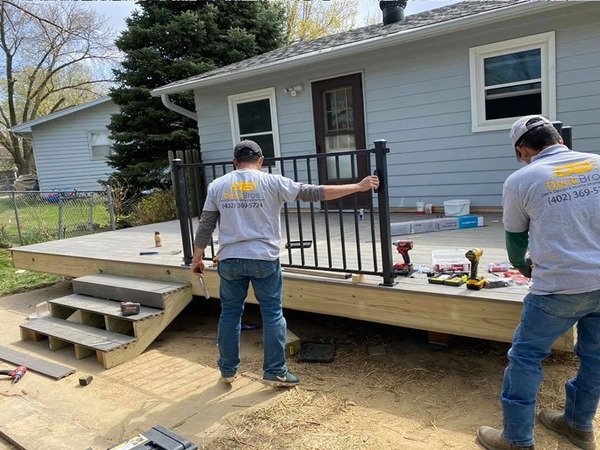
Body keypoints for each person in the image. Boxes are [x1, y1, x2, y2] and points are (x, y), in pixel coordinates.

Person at [190, 140, 379, 387]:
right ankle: (275, 371)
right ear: (261, 160)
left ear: (235, 163)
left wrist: (197, 258)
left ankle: (227, 370)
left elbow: (205, 225)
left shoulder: (218, 185)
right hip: (264, 259)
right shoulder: (273, 182)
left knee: (230, 315)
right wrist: (358, 186)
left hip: (231, 260)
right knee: (272, 314)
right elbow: (315, 192)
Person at [477, 115, 600, 450]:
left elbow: (516, 239)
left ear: (522, 150)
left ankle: (517, 439)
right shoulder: (598, 163)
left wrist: (523, 267)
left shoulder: (522, 179)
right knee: (595, 356)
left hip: (557, 288)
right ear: (558, 138)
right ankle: (578, 425)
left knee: (527, 356)